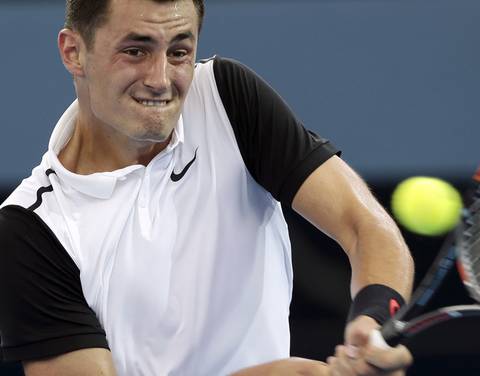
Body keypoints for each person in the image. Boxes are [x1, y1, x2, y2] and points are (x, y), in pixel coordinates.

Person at [0, 0, 415, 374]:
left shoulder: (226, 100)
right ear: (74, 52)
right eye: (135, 51)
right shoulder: (31, 230)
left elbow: (365, 226)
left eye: (179, 51)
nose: (161, 79)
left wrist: (372, 320)